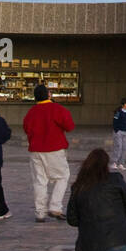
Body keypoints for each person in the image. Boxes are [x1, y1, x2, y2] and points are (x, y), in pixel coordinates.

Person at [22, 82, 75, 222]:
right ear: (48, 95)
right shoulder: (57, 109)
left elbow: (26, 128)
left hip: (35, 150)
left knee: (40, 181)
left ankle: (40, 212)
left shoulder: (31, 112)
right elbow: (69, 126)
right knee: (63, 176)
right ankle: (55, 206)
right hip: (54, 149)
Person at [111, 99, 126, 171]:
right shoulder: (118, 112)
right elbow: (115, 121)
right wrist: (117, 130)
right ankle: (114, 163)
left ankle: (121, 163)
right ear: (124, 104)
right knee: (118, 146)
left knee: (124, 148)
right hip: (119, 132)